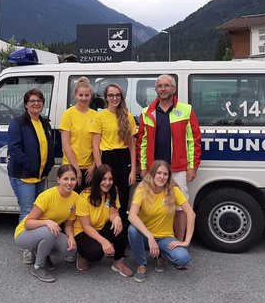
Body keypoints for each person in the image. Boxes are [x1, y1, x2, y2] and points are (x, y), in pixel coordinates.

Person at [137, 74, 201, 241]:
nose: (163, 89)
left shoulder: (186, 110)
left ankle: (179, 243)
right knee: (151, 206)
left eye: (167, 85)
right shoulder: (147, 112)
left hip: (178, 168)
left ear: (174, 89)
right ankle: (155, 243)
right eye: (160, 86)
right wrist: (143, 167)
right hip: (154, 169)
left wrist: (192, 167)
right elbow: (142, 143)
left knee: (180, 208)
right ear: (156, 89)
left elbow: (193, 140)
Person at [127, 160, 196, 283]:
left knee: (183, 258)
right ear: (152, 174)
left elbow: (191, 214)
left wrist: (186, 241)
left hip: (164, 237)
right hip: (145, 236)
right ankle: (142, 264)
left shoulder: (173, 190)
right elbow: (132, 216)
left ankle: (161, 255)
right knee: (132, 230)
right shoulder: (142, 189)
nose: (162, 177)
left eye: (165, 174)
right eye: (159, 173)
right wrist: (149, 236)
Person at [8, 88, 54, 265]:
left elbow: (48, 146)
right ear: (26, 104)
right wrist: (32, 165)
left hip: (40, 176)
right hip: (24, 176)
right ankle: (27, 248)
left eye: (39, 101)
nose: (36, 103)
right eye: (32, 101)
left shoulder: (44, 122)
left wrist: (46, 166)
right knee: (27, 212)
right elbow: (14, 149)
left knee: (39, 212)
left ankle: (35, 243)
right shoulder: (18, 123)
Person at [14, 164, 78, 283]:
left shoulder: (75, 198)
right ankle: (38, 267)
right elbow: (28, 223)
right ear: (58, 179)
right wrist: (47, 222)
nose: (69, 182)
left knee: (71, 250)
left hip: (47, 232)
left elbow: (69, 225)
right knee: (50, 232)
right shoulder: (47, 195)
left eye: (73, 179)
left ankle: (43, 253)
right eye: (65, 179)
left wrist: (71, 237)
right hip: (24, 233)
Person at [89, 83, 137, 228]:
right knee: (107, 199)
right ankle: (106, 236)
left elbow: (132, 147)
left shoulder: (128, 117)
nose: (114, 98)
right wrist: (100, 169)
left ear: (121, 97)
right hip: (107, 160)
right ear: (106, 98)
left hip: (124, 161)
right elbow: (95, 147)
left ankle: (120, 243)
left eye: (117, 95)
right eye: (111, 95)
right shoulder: (99, 116)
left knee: (121, 200)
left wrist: (133, 170)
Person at [73, 164, 133, 277]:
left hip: (101, 227)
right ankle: (82, 254)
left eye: (110, 179)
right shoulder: (85, 196)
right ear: (97, 179)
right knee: (96, 253)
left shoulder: (113, 190)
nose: (107, 182)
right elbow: (86, 226)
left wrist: (117, 218)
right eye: (104, 179)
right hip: (83, 231)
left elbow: (113, 213)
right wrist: (104, 241)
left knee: (122, 225)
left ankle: (118, 262)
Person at [60, 76, 97, 193]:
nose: (84, 98)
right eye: (81, 95)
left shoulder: (96, 115)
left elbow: (99, 145)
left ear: (91, 96)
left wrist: (94, 166)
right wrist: (76, 169)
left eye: (87, 95)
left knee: (88, 204)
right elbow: (66, 145)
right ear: (75, 96)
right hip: (70, 167)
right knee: (70, 203)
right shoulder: (68, 114)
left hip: (90, 169)